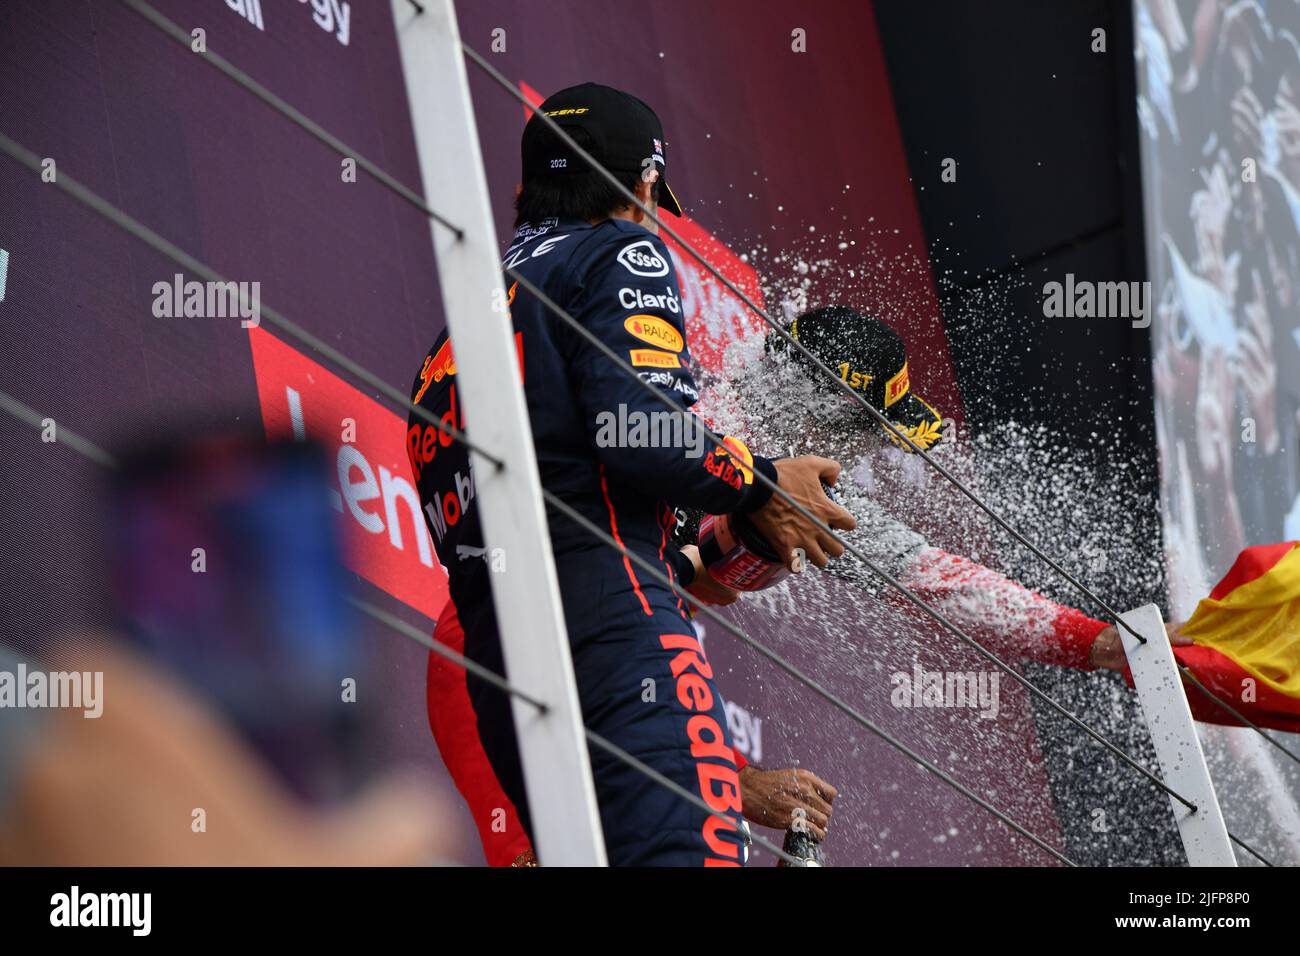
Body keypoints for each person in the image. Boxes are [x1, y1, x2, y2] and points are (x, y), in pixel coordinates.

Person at [407, 82, 853, 866]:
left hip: (497, 657)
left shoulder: (471, 309)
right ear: (643, 185)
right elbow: (638, 433)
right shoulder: (620, 250)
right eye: (653, 198)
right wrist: (760, 484)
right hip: (610, 620)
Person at [700, 304, 1300, 732]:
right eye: (869, 433)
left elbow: (935, 580)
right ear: (818, 416)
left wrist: (1101, 644)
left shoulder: (801, 483)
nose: (870, 453)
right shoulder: (693, 426)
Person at [425, 591, 838, 867]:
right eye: (743, 559)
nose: (734, 592)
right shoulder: (496, 622)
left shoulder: (637, 621)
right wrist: (736, 784)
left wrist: (737, 781)